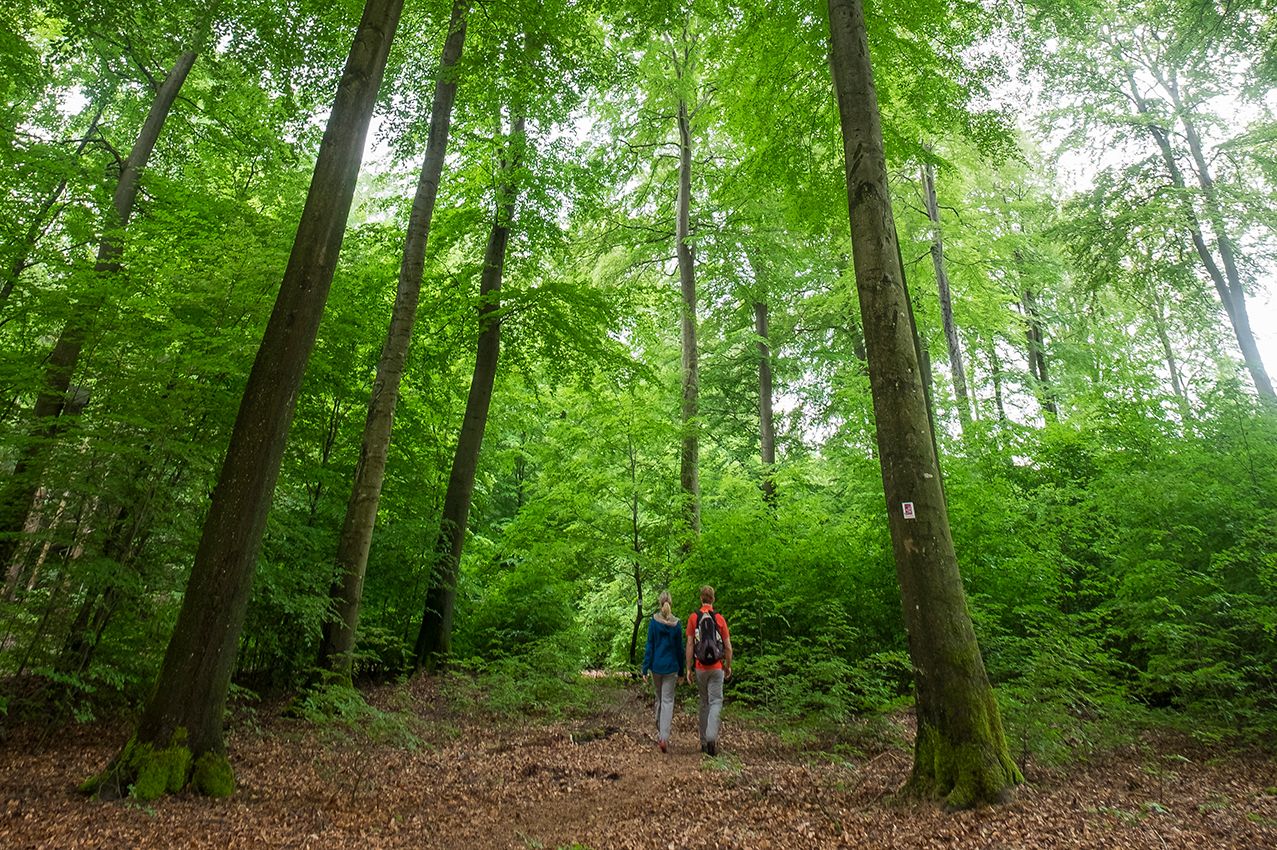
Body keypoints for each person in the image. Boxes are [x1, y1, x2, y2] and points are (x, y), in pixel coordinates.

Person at [685, 585, 732, 756]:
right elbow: (728, 646)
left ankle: (704, 742)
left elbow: (690, 644)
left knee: (704, 703)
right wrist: (728, 665)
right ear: (713, 599)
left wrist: (688, 668)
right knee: (716, 702)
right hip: (717, 668)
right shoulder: (719, 619)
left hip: (700, 668)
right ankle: (712, 737)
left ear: (701, 599)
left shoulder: (693, 618)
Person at [640, 590, 685, 753]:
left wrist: (645, 668)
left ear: (660, 604)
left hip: (656, 667)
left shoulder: (654, 622)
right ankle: (663, 737)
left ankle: (660, 729)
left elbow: (650, 646)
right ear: (670, 603)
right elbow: (680, 650)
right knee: (667, 701)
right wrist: (682, 671)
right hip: (671, 668)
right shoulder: (676, 624)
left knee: (659, 699)